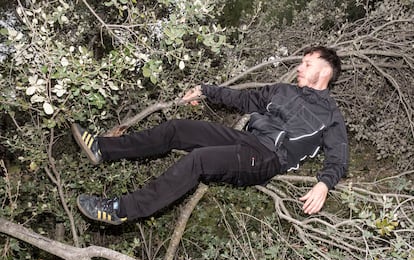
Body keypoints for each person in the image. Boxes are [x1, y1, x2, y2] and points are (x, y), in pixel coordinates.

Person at [72, 46, 348, 225]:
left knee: (200, 160)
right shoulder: (282, 91)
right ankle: (102, 148)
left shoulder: (331, 116)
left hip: (267, 158)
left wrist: (324, 185)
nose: (300, 68)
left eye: (307, 63)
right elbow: (243, 99)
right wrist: (205, 90)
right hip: (246, 141)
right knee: (176, 128)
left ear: (325, 71)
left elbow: (338, 159)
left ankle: (121, 209)